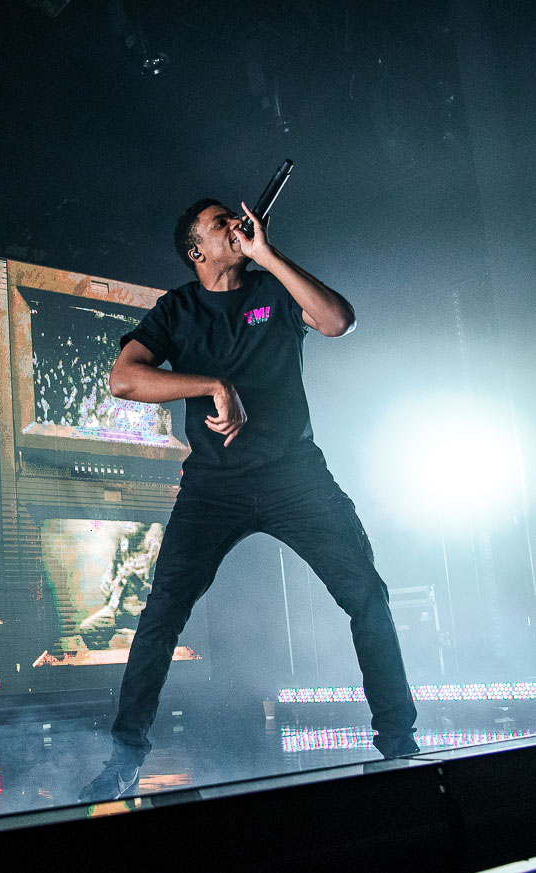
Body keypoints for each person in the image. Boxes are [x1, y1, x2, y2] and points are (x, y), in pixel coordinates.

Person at [78, 198, 419, 802]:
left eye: (237, 222)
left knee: (366, 594)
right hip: (214, 487)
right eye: (221, 225)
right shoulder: (177, 309)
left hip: (295, 476)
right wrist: (213, 383)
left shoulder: (274, 288)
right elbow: (124, 378)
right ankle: (126, 754)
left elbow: (338, 321)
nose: (235, 227)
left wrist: (265, 252)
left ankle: (398, 741)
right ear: (196, 251)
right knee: (161, 615)